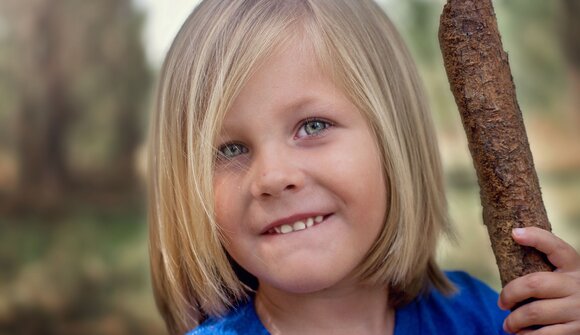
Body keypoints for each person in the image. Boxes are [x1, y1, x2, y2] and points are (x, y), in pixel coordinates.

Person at [147, 1, 580, 334]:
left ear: (393, 139)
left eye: (312, 126)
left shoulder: (486, 317)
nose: (273, 177)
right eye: (229, 150)